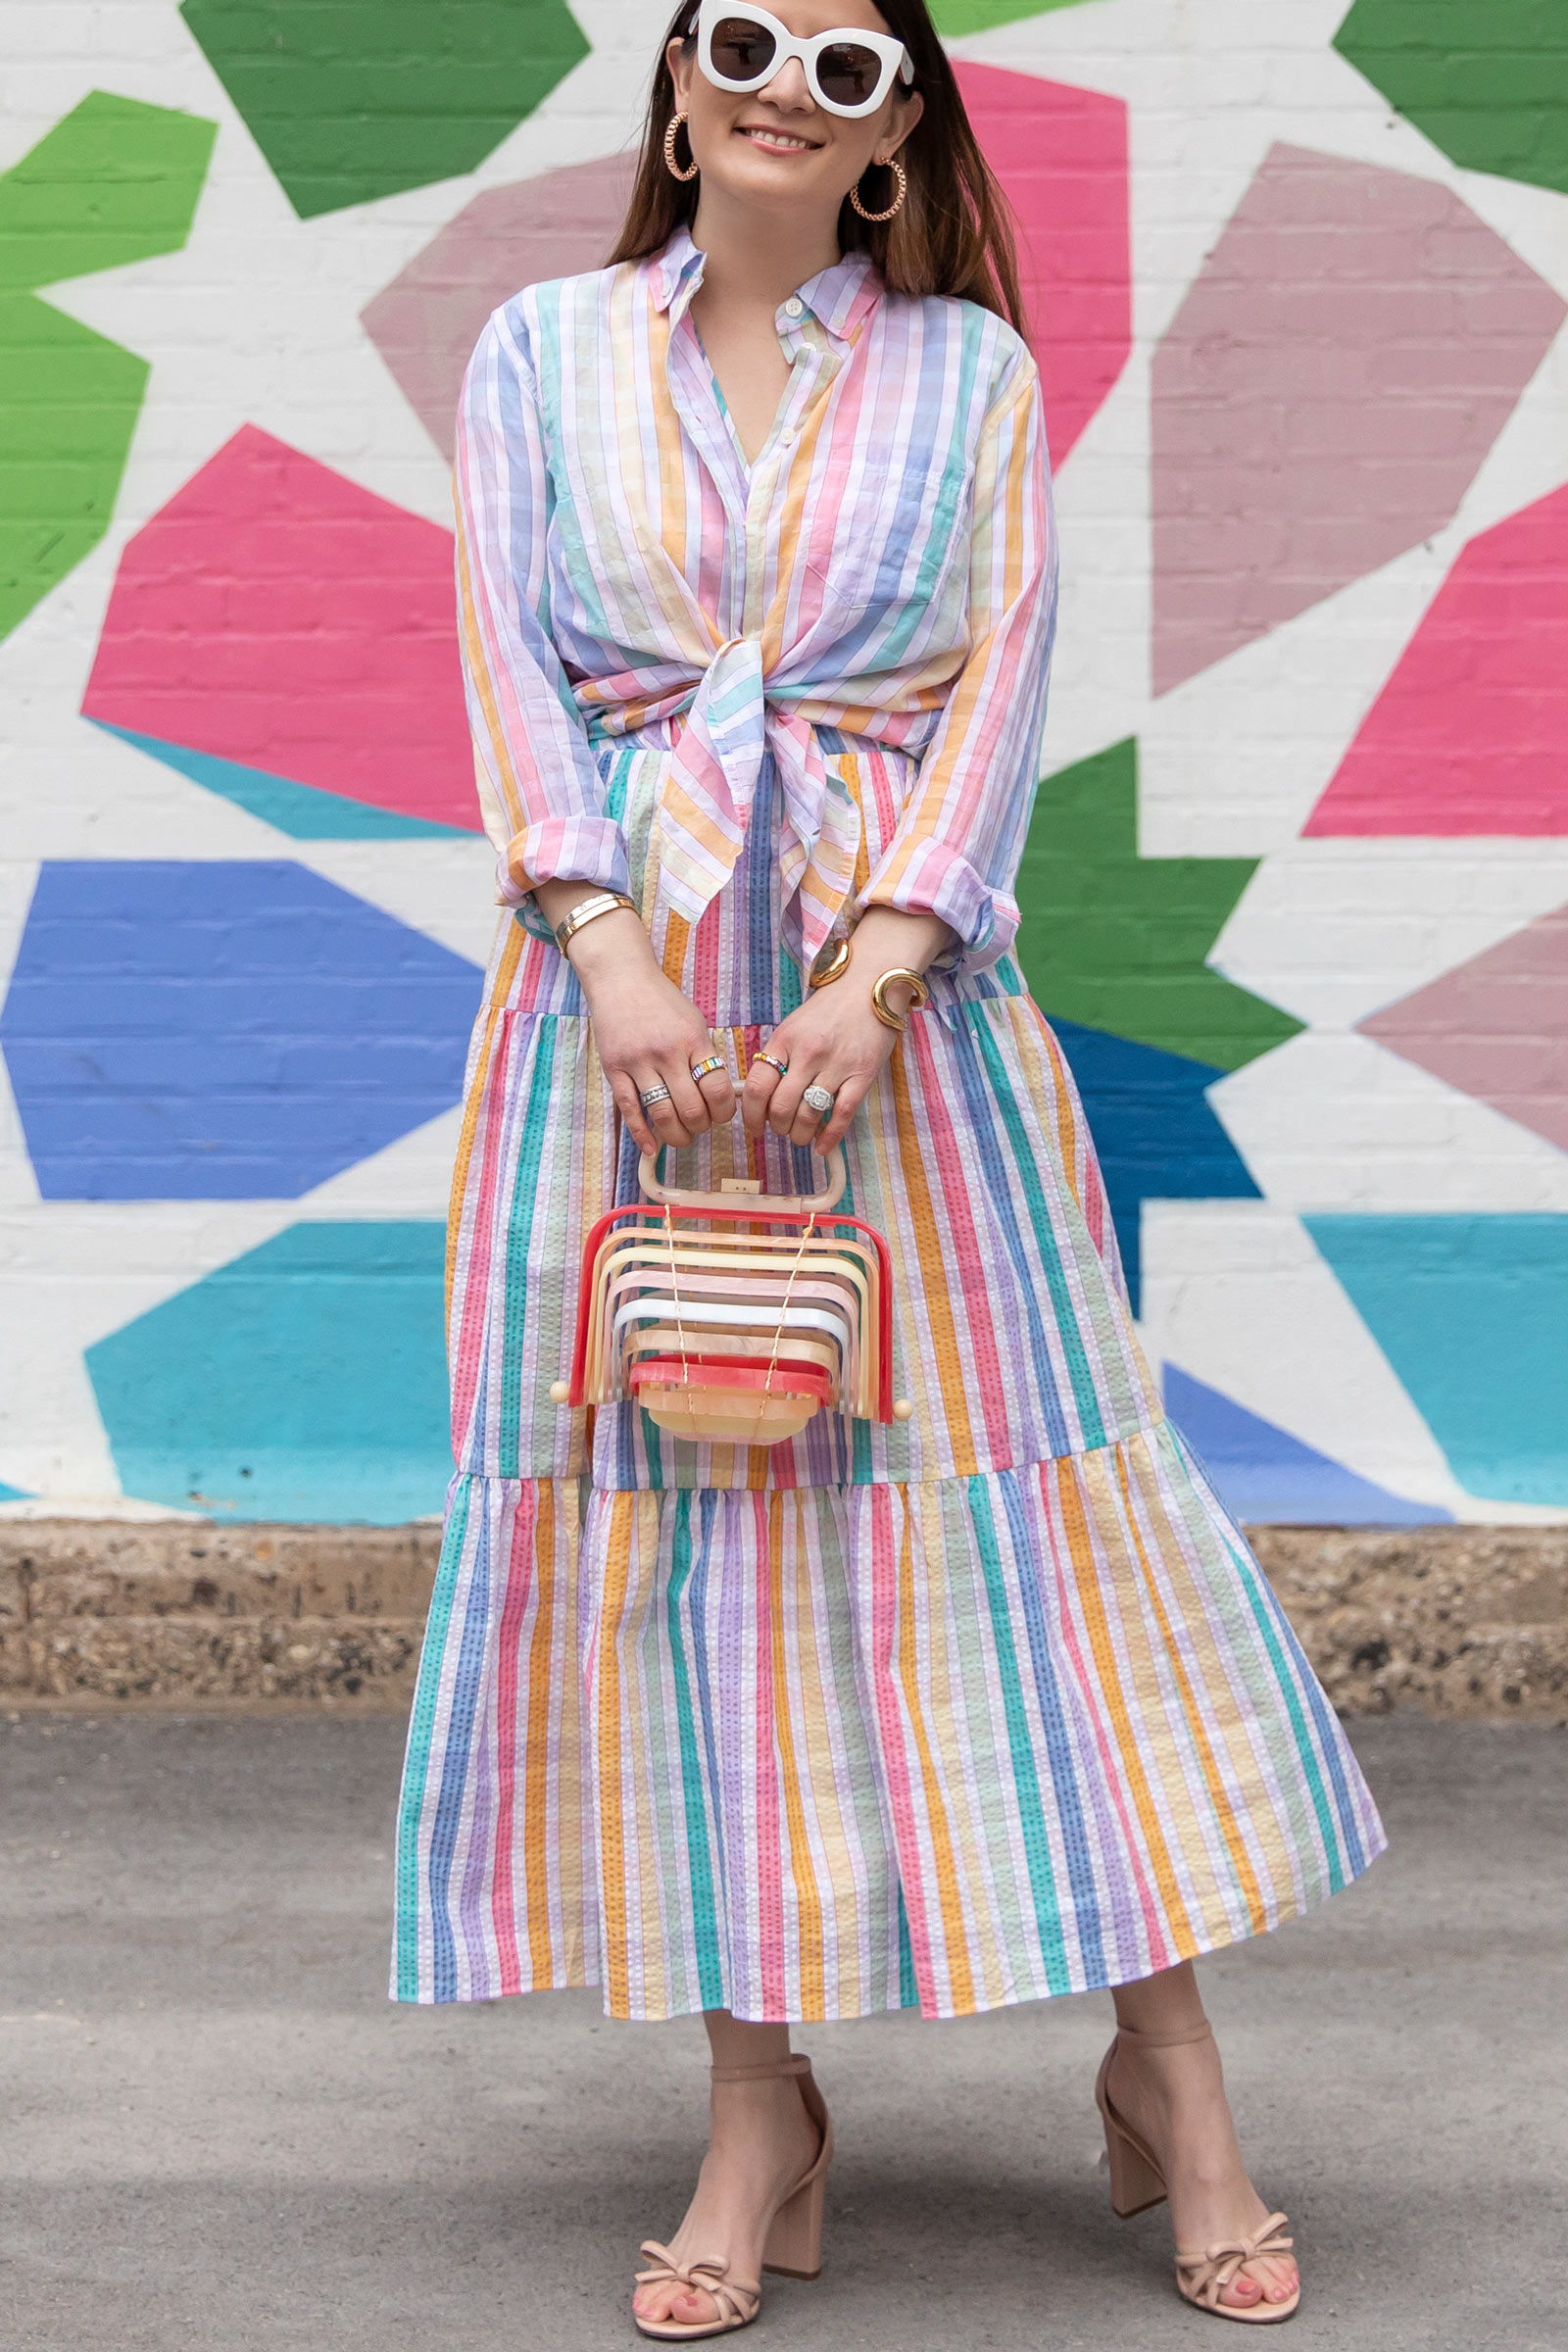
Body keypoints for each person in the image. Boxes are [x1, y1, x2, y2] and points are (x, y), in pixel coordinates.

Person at [392, 2, 1385, 2335]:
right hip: (616, 1030)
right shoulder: (537, 351)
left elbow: (998, 677)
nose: (786, 83)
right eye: (744, 37)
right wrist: (612, 955)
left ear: (893, 136)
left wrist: (875, 974)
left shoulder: (971, 376)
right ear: (671, 85)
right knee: (699, 1550)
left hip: (898, 1028)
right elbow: (510, 670)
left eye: (850, 68)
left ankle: (1174, 2085)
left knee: (1033, 1523)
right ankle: (760, 2111)